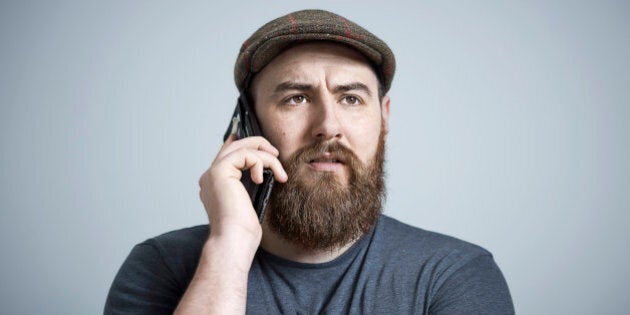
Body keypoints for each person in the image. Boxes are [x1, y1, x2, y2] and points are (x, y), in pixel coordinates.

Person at [105, 9, 514, 314]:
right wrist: (229, 246)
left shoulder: (453, 275)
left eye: (351, 98)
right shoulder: (161, 267)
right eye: (296, 98)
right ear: (247, 124)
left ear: (384, 118)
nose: (328, 126)